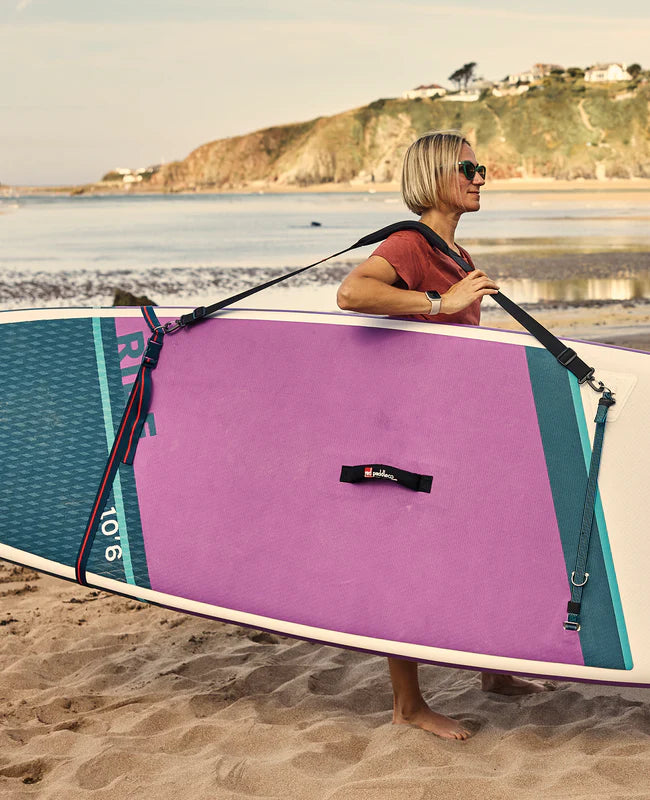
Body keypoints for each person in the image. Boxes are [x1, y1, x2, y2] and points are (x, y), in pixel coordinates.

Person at [336, 130, 552, 741]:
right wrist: (439, 301)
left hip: (452, 418)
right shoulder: (409, 245)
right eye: (468, 168)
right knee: (408, 554)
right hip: (409, 424)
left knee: (487, 535)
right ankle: (407, 706)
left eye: (481, 169)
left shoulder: (454, 251)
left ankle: (493, 672)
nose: (480, 178)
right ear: (434, 175)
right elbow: (352, 293)